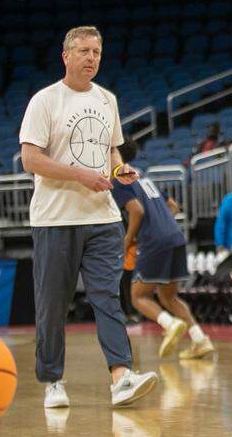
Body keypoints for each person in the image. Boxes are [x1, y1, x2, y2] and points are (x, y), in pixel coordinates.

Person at [19, 26, 158, 408]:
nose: (91, 58)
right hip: (55, 220)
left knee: (107, 298)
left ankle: (121, 377)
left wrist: (120, 171)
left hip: (102, 218)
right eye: (83, 51)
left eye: (96, 51)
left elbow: (111, 154)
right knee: (51, 304)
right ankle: (52, 381)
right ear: (65, 56)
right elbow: (30, 160)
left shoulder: (107, 100)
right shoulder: (44, 101)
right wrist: (80, 175)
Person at [115, 138, 215, 361]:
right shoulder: (142, 174)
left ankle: (170, 324)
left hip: (154, 241)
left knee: (137, 297)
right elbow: (173, 206)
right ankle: (200, 340)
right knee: (169, 297)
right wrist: (162, 226)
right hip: (174, 236)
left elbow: (137, 211)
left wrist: (129, 239)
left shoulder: (119, 176)